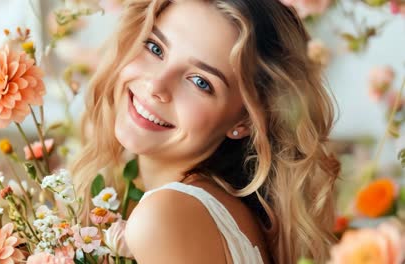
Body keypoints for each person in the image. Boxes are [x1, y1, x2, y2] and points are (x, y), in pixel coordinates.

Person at [72, 0, 340, 263]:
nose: (156, 85)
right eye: (155, 48)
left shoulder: (165, 217)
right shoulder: (216, 211)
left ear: (245, 121)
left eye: (201, 82)